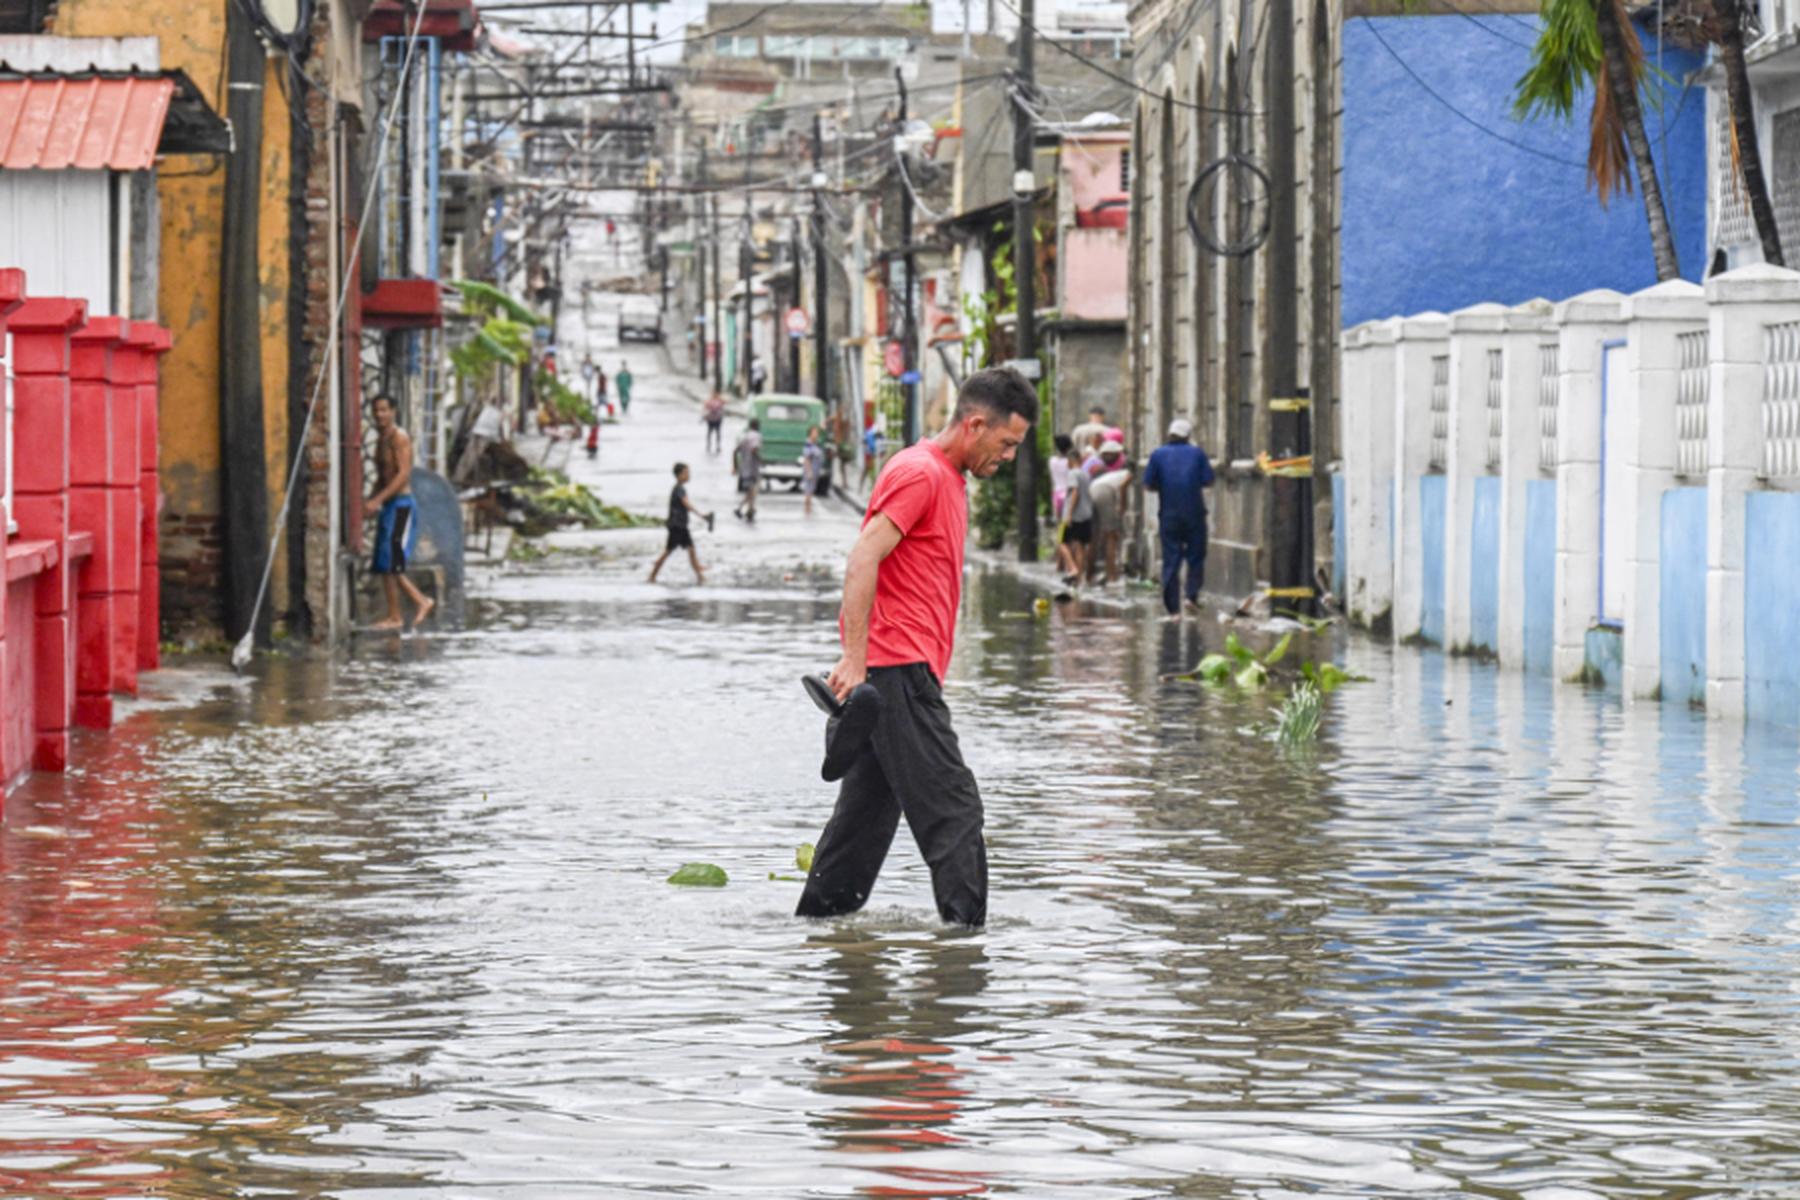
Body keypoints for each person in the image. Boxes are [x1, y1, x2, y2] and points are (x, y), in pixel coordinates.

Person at [795, 367, 1038, 929]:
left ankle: (818, 932)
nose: (1007, 457)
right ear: (975, 424)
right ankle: (965, 955)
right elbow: (863, 557)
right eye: (1005, 444)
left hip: (897, 675)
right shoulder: (921, 473)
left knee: (863, 821)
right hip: (897, 671)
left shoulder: (946, 478)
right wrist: (855, 659)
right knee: (956, 809)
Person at [365, 395, 434, 630]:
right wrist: (372, 500)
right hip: (389, 505)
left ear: (393, 411)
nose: (380, 415)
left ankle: (417, 603)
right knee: (385, 562)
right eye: (376, 410)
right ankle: (398, 613)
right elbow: (384, 476)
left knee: (393, 562)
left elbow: (403, 474)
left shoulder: (399, 437)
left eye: (384, 410)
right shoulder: (381, 440)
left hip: (402, 505)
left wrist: (377, 500)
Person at [1142, 416, 1216, 616]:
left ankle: (1172, 608)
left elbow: (1148, 484)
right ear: (1188, 436)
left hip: (1169, 514)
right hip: (1194, 513)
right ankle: (1191, 597)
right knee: (1196, 556)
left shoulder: (1158, 455)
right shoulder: (1197, 454)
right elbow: (1209, 481)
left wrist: (1164, 486)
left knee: (1171, 558)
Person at [649, 463, 712, 584]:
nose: (688, 476)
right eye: (685, 473)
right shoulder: (679, 489)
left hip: (681, 525)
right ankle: (652, 575)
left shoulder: (678, 488)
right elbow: (686, 504)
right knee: (668, 551)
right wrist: (701, 515)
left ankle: (700, 577)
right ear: (678, 475)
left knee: (691, 550)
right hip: (677, 526)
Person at [1089, 450, 1133, 586]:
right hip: (1103, 492)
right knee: (1111, 535)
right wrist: (1122, 507)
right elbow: (1123, 487)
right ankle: (1111, 575)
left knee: (1095, 535)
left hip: (1093, 489)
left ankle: (1089, 574)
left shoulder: (1114, 474)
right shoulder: (1128, 474)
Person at [1057, 445, 1094, 584]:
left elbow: (1075, 493)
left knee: (1061, 542)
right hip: (1086, 514)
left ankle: (1072, 568)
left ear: (1071, 460)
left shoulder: (1073, 473)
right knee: (1080, 546)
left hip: (1074, 515)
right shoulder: (1086, 474)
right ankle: (1079, 578)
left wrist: (1069, 514)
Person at [733, 418, 763, 522]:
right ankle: (741, 508)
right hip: (752, 469)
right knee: (752, 491)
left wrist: (735, 466)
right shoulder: (756, 436)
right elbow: (754, 449)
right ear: (758, 426)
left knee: (751, 491)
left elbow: (735, 451)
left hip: (744, 468)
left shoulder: (745, 436)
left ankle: (750, 510)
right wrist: (760, 459)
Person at [802, 425, 826, 516]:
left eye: (817, 432)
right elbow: (807, 458)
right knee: (808, 490)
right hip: (810, 470)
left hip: (816, 470)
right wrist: (809, 471)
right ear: (810, 433)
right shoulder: (808, 444)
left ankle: (809, 509)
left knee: (811, 490)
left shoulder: (816, 443)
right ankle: (807, 509)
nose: (816, 434)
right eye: (814, 432)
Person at [1049, 433, 1073, 520]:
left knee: (1060, 524)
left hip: (1057, 493)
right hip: (1069, 494)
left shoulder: (1052, 461)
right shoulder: (1070, 462)